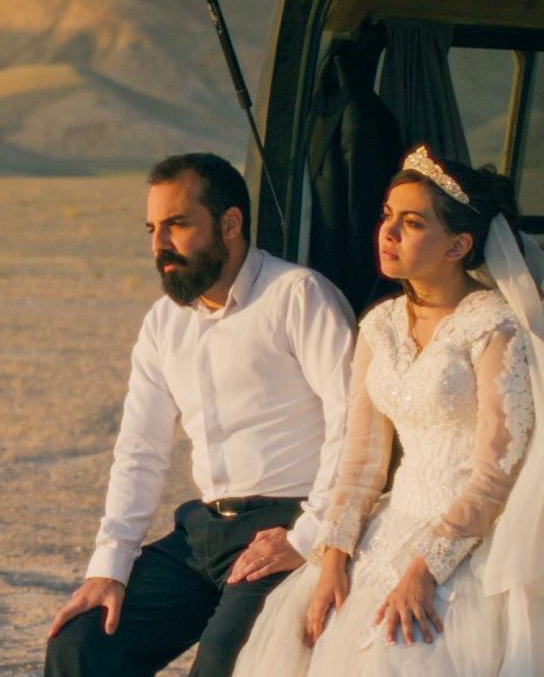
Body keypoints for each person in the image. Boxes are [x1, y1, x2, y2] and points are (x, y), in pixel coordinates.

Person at [231, 146, 544, 676]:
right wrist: (333, 556)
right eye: (387, 216)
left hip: (472, 535)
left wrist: (425, 570)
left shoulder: (494, 326)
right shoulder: (378, 325)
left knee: (398, 648)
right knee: (308, 632)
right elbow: (361, 463)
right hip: (390, 526)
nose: (388, 233)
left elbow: (496, 473)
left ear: (458, 245)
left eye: (412, 223)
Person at [44, 153, 356, 676]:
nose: (159, 246)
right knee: (82, 644)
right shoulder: (162, 322)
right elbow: (139, 450)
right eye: (152, 229)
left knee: (219, 666)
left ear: (230, 224)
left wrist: (308, 536)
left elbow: (353, 423)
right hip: (202, 534)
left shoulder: (298, 295)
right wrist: (109, 568)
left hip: (284, 525)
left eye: (178, 225)